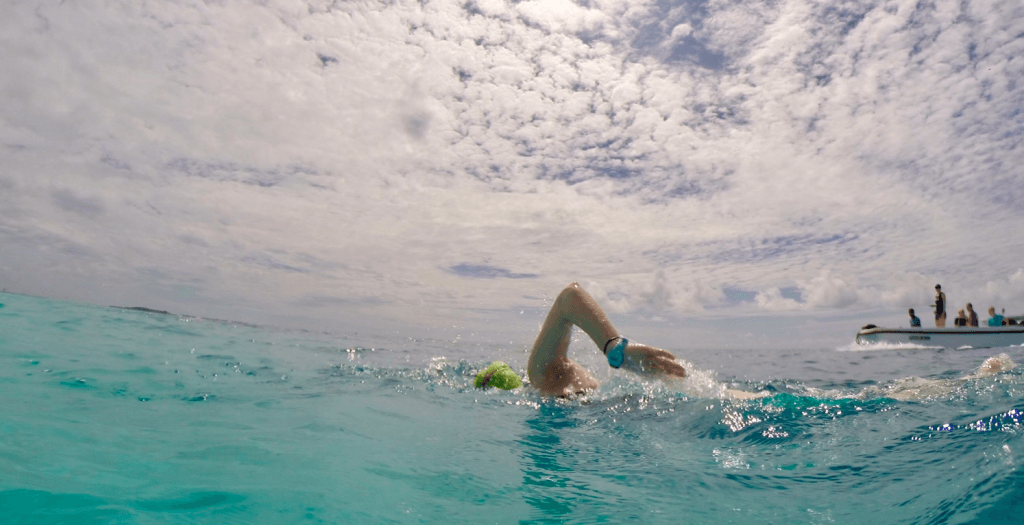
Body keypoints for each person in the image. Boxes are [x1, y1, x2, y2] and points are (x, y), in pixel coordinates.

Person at [526, 282, 761, 399]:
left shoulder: (543, 376)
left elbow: (570, 296)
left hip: (630, 418)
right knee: (707, 394)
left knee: (708, 394)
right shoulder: (564, 378)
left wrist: (615, 349)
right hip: (638, 416)